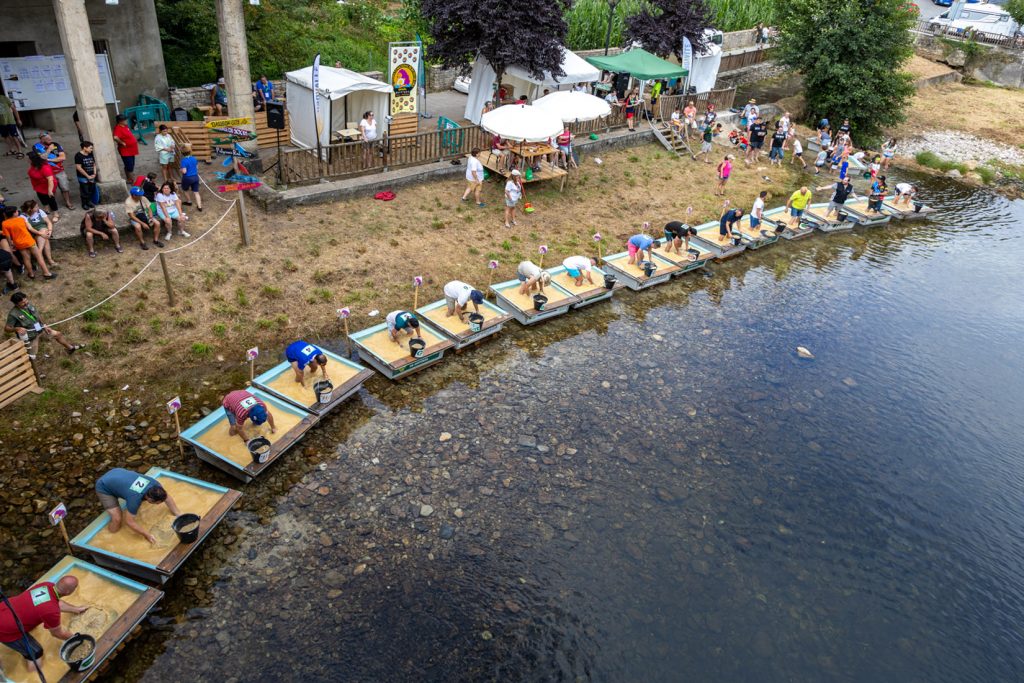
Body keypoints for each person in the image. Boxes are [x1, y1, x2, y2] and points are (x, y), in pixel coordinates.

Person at [0, 575, 88, 674]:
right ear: (68, 592)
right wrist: (77, 638)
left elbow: (55, 602)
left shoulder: (46, 586)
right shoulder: (51, 612)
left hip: (4, 610)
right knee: (35, 653)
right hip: (5, 630)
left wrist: (76, 609)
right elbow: (57, 633)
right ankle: (33, 676)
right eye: (75, 587)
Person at [94, 468, 181, 542]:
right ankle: (111, 534)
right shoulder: (135, 499)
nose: (158, 505)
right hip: (104, 485)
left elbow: (167, 498)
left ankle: (119, 490)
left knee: (131, 500)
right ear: (149, 499)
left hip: (117, 472)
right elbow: (129, 522)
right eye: (157, 503)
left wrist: (179, 515)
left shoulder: (156, 486)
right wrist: (146, 535)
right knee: (117, 518)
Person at [6, 292, 82, 358]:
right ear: (16, 304)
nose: (26, 303)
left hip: (40, 328)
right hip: (31, 337)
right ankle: (33, 372)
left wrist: (44, 325)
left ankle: (70, 348)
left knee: (58, 334)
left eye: (26, 300)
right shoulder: (13, 314)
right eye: (23, 302)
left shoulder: (28, 305)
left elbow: (37, 316)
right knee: (32, 356)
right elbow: (7, 328)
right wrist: (16, 329)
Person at [2, 206, 54, 279]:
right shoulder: (21, 219)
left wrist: (11, 245)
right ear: (14, 213)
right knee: (39, 256)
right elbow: (29, 228)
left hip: (19, 243)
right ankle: (46, 273)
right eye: (17, 211)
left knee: (26, 258)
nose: (18, 212)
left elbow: (8, 236)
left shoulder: (4, 224)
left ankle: (31, 274)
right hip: (29, 241)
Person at [33, 132, 74, 210]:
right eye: (47, 139)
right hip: (46, 173)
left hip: (59, 170)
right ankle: (53, 205)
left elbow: (62, 157)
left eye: (50, 138)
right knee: (50, 190)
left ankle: (68, 202)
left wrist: (48, 159)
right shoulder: (36, 147)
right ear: (41, 139)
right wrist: (49, 150)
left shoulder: (56, 144)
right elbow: (40, 159)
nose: (50, 140)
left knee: (65, 188)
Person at [21, 200, 56, 268]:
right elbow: (30, 228)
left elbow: (48, 222)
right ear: (30, 209)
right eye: (36, 207)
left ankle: (38, 255)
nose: (38, 207)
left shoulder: (40, 211)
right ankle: (49, 260)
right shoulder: (23, 216)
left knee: (44, 234)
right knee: (45, 237)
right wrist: (41, 233)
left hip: (45, 231)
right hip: (34, 233)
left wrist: (50, 231)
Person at [26, 152, 60, 220]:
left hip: (47, 185)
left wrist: (50, 191)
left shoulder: (45, 167)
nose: (27, 160)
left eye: (28, 158)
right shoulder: (33, 165)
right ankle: (46, 208)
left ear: (32, 159)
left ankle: (56, 213)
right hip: (38, 185)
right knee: (41, 197)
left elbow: (50, 180)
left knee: (51, 200)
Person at [74, 140, 98, 209]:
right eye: (90, 148)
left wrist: (94, 173)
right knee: (84, 191)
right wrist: (87, 176)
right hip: (83, 177)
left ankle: (89, 202)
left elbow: (94, 164)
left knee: (91, 189)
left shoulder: (90, 154)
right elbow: (78, 167)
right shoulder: (78, 155)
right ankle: (84, 204)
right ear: (85, 148)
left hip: (92, 176)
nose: (92, 149)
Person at [179, 143, 202, 212]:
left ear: (182, 153)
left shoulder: (183, 161)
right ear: (190, 151)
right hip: (195, 177)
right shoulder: (194, 158)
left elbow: (184, 171)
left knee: (185, 190)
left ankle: (189, 201)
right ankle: (200, 206)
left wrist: (180, 170)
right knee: (196, 192)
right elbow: (197, 167)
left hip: (187, 178)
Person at [0, 91, 23, 158]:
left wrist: (18, 119)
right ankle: (12, 150)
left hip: (10, 121)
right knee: (5, 136)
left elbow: (14, 109)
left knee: (14, 136)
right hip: (1, 123)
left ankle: (20, 151)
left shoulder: (4, 98)